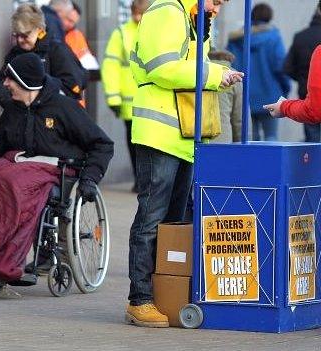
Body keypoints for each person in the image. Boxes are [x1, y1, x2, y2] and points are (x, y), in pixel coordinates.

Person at [127, 0, 242, 327]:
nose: (217, 9)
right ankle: (141, 298)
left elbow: (191, 64)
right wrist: (215, 74)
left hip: (184, 134)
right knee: (153, 217)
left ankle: (166, 292)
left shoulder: (193, 18)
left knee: (174, 222)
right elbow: (162, 67)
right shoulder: (166, 11)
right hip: (160, 132)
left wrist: (204, 40)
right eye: (216, 1)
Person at [0, 53, 114, 291]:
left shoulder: (63, 108)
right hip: (17, 170)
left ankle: (7, 263)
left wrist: (90, 178)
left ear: (25, 83)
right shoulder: (13, 112)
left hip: (56, 171)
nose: (5, 85)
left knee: (11, 183)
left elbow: (102, 144)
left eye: (10, 79)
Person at [0, 3, 86, 107]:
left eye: (25, 35)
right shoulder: (15, 53)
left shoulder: (57, 51)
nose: (20, 40)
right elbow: (4, 81)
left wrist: (36, 87)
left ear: (40, 31)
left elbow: (72, 89)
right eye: (16, 35)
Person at [101, 0, 148, 193]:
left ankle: (147, 181)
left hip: (152, 100)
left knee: (148, 143)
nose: (137, 17)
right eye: (135, 13)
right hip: (130, 103)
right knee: (134, 143)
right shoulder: (121, 33)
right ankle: (140, 180)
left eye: (141, 14)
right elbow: (110, 65)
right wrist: (113, 98)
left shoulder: (156, 31)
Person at [227, 3, 290, 141]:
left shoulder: (236, 39)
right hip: (270, 94)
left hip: (244, 95)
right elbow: (280, 66)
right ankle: (271, 164)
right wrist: (286, 88)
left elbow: (230, 66)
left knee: (249, 138)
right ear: (269, 17)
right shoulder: (274, 37)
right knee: (271, 137)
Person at [283, 1, 321, 142]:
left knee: (313, 148)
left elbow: (287, 67)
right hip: (311, 103)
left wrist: (303, 79)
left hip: (307, 98)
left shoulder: (301, 37)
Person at [264, 45, 321, 123]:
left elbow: (314, 110)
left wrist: (283, 107)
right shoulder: (273, 37)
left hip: (254, 97)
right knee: (270, 134)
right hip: (272, 94)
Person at [209, 50, 243, 143]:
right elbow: (239, 120)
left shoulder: (198, 73)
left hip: (193, 139)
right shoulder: (234, 76)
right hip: (222, 140)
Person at [62, 2, 98, 70]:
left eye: (73, 22)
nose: (70, 24)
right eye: (69, 20)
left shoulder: (76, 35)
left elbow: (86, 59)